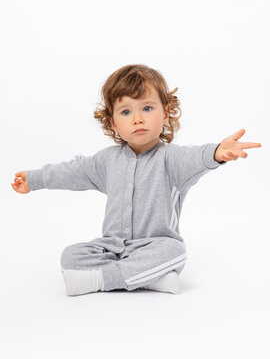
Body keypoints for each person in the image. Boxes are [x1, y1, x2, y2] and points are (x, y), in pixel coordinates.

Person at [11, 64, 262, 296]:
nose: (137, 118)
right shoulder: (106, 161)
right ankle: (148, 278)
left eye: (147, 108)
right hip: (112, 249)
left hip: (156, 245)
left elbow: (197, 156)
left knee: (175, 252)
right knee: (71, 255)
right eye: (126, 111)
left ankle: (101, 280)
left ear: (165, 114)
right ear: (112, 122)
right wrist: (35, 179)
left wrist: (218, 151)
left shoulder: (171, 160)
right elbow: (73, 171)